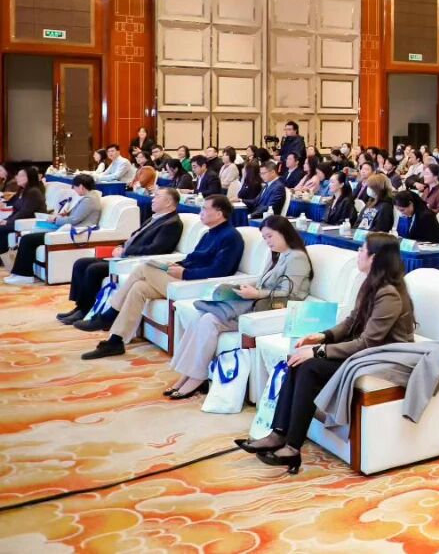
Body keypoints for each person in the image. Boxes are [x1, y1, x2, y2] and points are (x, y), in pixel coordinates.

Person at [233, 233, 416, 472]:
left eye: (362, 249)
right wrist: (323, 336)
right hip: (367, 351)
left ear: (374, 258)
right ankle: (279, 434)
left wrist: (318, 351)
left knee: (310, 366)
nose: (358, 253)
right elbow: (352, 321)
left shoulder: (389, 293)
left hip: (384, 357)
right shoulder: (371, 283)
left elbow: (367, 343)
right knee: (297, 361)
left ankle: (292, 447)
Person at [166, 216, 313, 400]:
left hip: (271, 310)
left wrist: (256, 293)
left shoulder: (297, 257)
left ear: (284, 233)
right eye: (265, 238)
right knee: (200, 318)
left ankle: (197, 377)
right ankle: (187, 375)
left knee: (209, 320)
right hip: (257, 303)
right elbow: (263, 282)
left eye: (270, 236)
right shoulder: (278, 255)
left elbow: (291, 293)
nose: (268, 242)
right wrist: (242, 288)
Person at [79, 195, 245, 358]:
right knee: (138, 288)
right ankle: (116, 341)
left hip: (196, 285)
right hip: (184, 278)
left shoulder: (231, 237)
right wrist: (178, 265)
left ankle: (110, 314)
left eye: (205, 209)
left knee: (143, 268)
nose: (201, 212)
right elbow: (194, 258)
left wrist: (185, 273)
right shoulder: (209, 234)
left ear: (219, 213)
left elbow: (220, 271)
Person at [59, 188, 185, 324]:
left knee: (93, 269)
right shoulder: (155, 218)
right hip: (125, 256)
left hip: (133, 261)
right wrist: (121, 246)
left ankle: (86, 310)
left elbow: (156, 249)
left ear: (168, 202)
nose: (152, 200)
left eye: (157, 197)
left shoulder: (172, 224)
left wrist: (126, 251)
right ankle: (79, 306)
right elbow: (135, 237)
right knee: (81, 263)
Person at [5, 173, 102, 285]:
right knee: (28, 237)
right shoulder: (89, 198)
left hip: (72, 232)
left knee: (28, 239)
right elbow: (75, 217)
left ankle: (24, 275)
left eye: (74, 187)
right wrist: (62, 216)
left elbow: (73, 220)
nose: (74, 190)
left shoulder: (89, 200)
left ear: (81, 186)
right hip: (67, 228)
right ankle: (19, 273)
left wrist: (55, 219)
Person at [0, 166, 44, 257]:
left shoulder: (34, 192)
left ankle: (2, 255)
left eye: (21, 176)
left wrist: (8, 222)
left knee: (1, 229)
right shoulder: (22, 190)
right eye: (18, 175)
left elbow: (25, 212)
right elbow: (16, 210)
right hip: (20, 221)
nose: (17, 177)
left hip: (30, 222)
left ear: (29, 178)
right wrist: (6, 219)